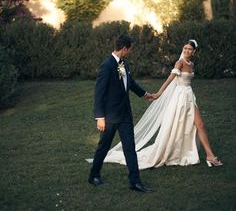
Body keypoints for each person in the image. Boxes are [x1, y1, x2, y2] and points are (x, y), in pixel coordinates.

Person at [103, 39, 223, 169]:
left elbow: (129, 81)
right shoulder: (179, 63)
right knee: (177, 125)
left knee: (200, 124)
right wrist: (158, 94)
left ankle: (209, 155)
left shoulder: (191, 64)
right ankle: (179, 151)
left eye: (189, 49)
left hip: (189, 96)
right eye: (185, 48)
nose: (187, 50)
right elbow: (169, 80)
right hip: (180, 97)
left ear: (194, 51)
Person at [88, 35, 153, 193]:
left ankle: (135, 182)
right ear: (124, 48)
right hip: (109, 117)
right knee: (103, 147)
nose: (130, 52)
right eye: (130, 49)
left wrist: (145, 94)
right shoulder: (107, 65)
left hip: (125, 115)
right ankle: (94, 175)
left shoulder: (125, 64)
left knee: (130, 148)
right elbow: (99, 93)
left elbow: (129, 83)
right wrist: (100, 117)